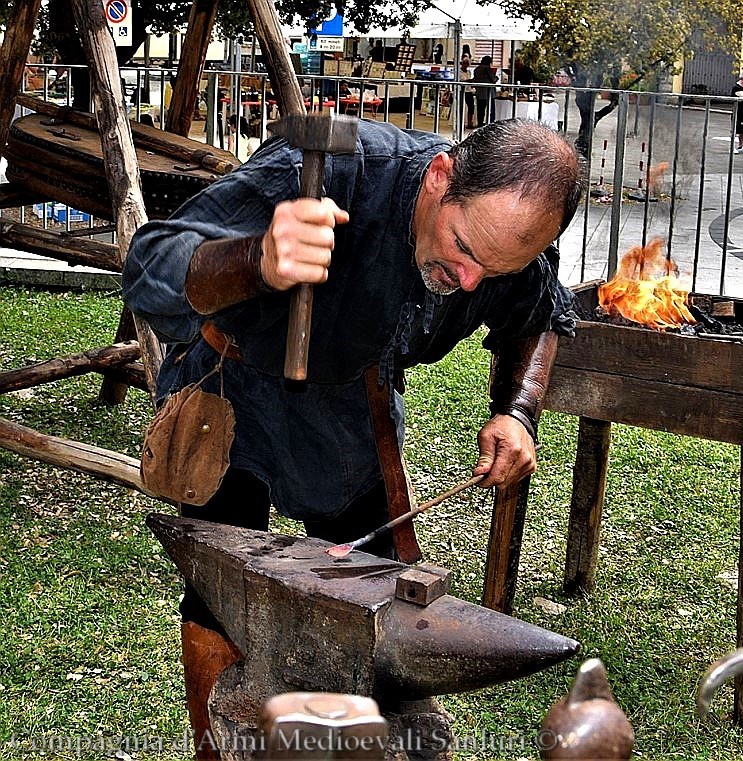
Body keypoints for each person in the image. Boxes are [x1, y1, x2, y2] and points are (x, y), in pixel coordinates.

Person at [122, 118, 584, 756]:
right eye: (464, 248)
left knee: (377, 594)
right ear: (440, 177)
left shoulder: (504, 248)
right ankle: (215, 748)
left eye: (496, 268)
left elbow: (538, 313)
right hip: (234, 389)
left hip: (350, 403)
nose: (471, 280)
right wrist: (256, 258)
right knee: (220, 597)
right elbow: (150, 266)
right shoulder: (331, 172)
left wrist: (518, 410)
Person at [471, 55, 499, 126]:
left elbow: (475, 80)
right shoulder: (487, 69)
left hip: (479, 93)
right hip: (489, 93)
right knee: (491, 111)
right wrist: (497, 77)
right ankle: (491, 125)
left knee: (480, 111)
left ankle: (480, 124)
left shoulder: (476, 69)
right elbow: (493, 80)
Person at [460, 50, 475, 128]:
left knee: (471, 107)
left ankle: (470, 122)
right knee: (461, 107)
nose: (466, 65)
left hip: (468, 91)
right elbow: (460, 81)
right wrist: (468, 81)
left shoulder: (469, 72)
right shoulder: (459, 72)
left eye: (467, 63)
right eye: (464, 63)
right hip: (462, 91)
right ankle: (460, 122)